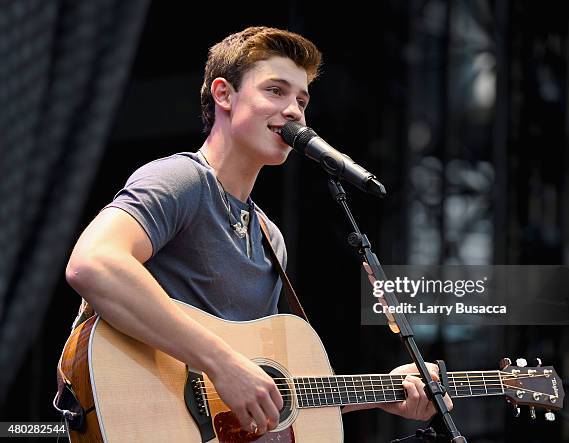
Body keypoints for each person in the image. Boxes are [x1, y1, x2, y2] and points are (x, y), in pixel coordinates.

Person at [65, 26, 452, 437]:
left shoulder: (269, 238)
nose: (294, 111)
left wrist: (382, 393)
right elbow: (93, 264)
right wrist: (221, 362)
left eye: (302, 100)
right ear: (224, 94)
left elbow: (265, 393)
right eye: (276, 91)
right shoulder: (182, 180)